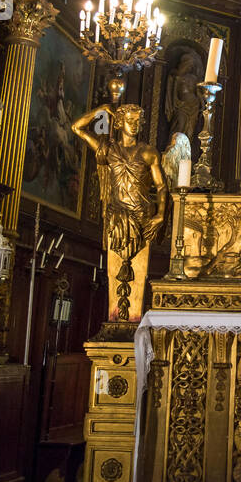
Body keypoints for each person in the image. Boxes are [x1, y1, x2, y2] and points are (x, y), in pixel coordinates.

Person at [71, 103, 167, 323]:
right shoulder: (109, 151)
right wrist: (101, 110)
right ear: (120, 122)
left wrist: (160, 214)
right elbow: (77, 127)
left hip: (142, 219)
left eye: (137, 121)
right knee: (115, 273)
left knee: (138, 275)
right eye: (130, 120)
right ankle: (117, 321)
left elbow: (161, 187)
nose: (134, 125)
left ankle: (133, 322)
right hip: (116, 219)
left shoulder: (148, 152)